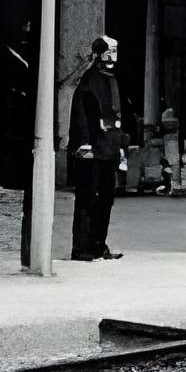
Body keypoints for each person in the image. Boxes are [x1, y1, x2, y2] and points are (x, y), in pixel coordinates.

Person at [66, 35, 129, 261]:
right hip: (92, 151)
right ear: (99, 54)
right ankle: (82, 247)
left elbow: (117, 115)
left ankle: (98, 244)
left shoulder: (109, 79)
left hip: (108, 150)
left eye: (115, 52)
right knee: (87, 199)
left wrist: (121, 147)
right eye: (108, 52)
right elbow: (82, 115)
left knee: (105, 199)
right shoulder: (89, 81)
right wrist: (84, 144)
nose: (112, 57)